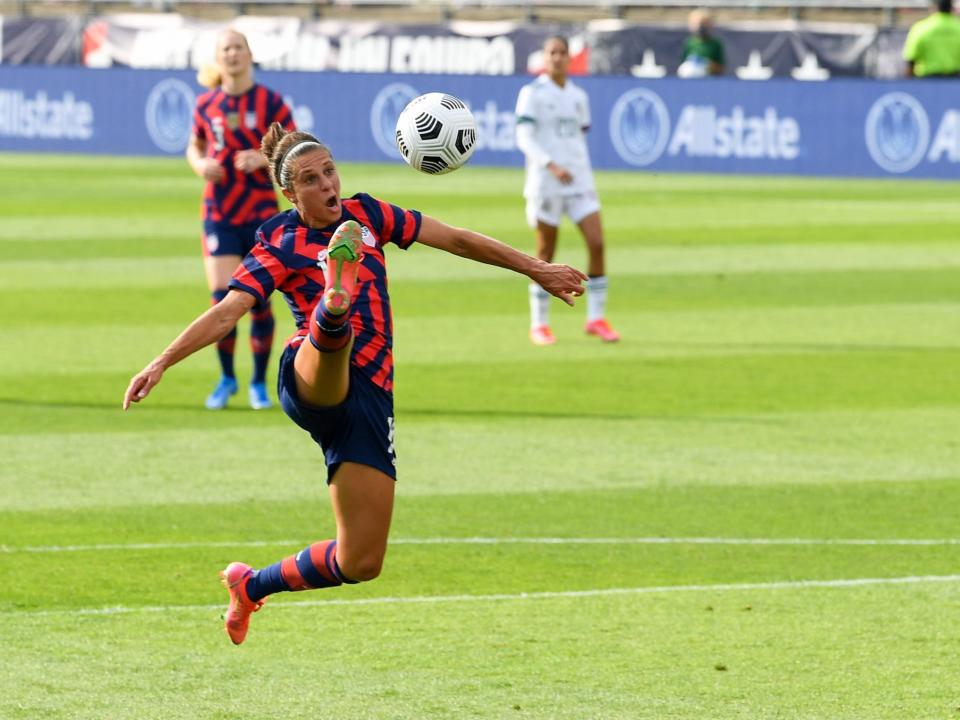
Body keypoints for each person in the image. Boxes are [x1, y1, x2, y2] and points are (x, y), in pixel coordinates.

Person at [123, 123, 587, 645]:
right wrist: (162, 362)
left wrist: (535, 268)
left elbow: (455, 238)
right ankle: (333, 305)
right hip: (310, 374)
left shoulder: (370, 214)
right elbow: (230, 310)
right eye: (310, 179)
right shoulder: (280, 240)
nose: (326, 185)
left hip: (370, 398)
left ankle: (250, 587)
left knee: (361, 560)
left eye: (329, 172)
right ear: (289, 193)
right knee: (329, 341)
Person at [187, 28, 296, 410]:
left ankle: (258, 383)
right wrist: (201, 164)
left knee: (258, 300)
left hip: (261, 213)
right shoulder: (206, 104)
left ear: (249, 54)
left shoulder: (271, 103)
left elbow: (294, 150)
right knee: (221, 297)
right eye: (225, 49)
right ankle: (227, 378)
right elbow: (196, 143)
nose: (232, 54)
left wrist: (262, 158)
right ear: (218, 59)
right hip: (218, 210)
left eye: (238, 47)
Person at [515, 36, 620, 346]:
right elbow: (524, 137)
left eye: (562, 53)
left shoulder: (578, 95)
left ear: (568, 58)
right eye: (552, 53)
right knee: (546, 253)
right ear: (545, 58)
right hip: (547, 182)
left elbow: (578, 136)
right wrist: (551, 164)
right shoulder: (532, 93)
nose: (558, 58)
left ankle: (596, 318)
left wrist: (573, 167)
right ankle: (540, 324)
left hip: (580, 182)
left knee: (597, 242)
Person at [903, 0, 960, 78]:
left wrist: (910, 84)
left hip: (927, 80)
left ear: (934, 8)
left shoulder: (921, 28)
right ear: (951, 8)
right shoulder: (958, 27)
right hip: (955, 80)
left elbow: (911, 57)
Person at [678, 10, 725, 78]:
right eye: (696, 24)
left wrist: (707, 64)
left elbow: (721, 68)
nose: (700, 26)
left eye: (704, 24)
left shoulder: (716, 44)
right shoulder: (689, 43)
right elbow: (683, 65)